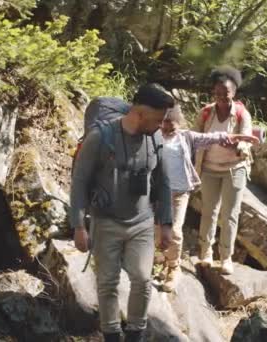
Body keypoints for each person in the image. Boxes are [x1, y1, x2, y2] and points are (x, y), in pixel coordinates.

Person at [70, 84, 175, 342]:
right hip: (106, 222)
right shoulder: (101, 137)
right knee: (107, 283)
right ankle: (112, 335)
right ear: (140, 113)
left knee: (142, 279)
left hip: (141, 222)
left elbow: (163, 181)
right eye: (158, 119)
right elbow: (80, 181)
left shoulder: (155, 138)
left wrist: (166, 223)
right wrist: (78, 226)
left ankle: (135, 334)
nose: (162, 125)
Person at [156, 105, 258, 291]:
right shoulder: (153, 137)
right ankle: (164, 261)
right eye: (164, 126)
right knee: (159, 232)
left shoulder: (187, 137)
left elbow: (212, 138)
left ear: (179, 125)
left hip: (180, 193)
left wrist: (237, 138)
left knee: (175, 231)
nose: (168, 130)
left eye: (172, 127)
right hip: (159, 194)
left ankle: (174, 267)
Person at [194, 66, 253, 275]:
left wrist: (237, 146)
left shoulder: (241, 114)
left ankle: (226, 257)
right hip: (209, 168)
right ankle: (206, 252)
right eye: (217, 93)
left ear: (234, 92)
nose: (221, 97)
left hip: (234, 169)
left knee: (230, 214)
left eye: (225, 93)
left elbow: (247, 140)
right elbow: (195, 137)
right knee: (209, 211)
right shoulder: (206, 113)